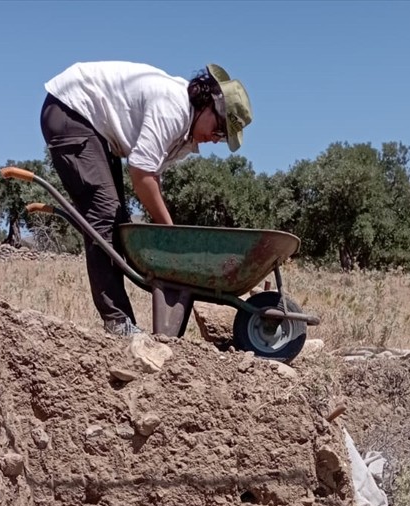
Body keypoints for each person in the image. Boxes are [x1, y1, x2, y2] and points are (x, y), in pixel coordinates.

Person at [40, 61, 252, 336]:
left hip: (94, 126)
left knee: (117, 220)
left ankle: (122, 322)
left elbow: (152, 176)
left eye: (222, 137)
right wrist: (169, 233)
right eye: (219, 128)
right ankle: (118, 324)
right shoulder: (173, 107)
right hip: (71, 109)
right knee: (104, 217)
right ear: (207, 104)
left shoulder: (186, 136)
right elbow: (141, 174)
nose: (215, 138)